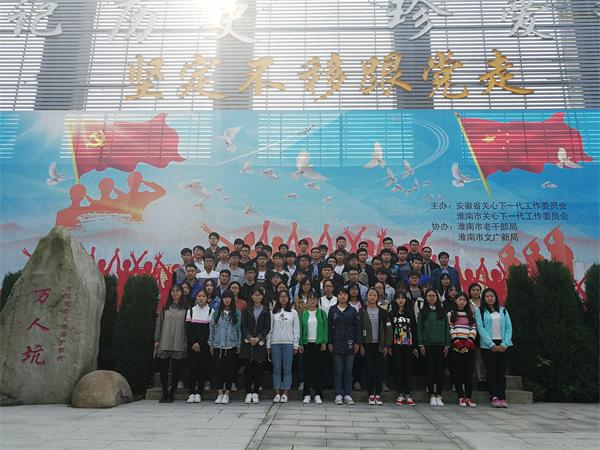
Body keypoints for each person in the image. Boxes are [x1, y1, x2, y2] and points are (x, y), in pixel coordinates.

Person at [475, 288, 513, 408]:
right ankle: (494, 396)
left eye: (492, 296)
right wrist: (491, 344)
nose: (490, 298)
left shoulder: (503, 310)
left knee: (501, 372)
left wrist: (505, 344)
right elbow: (480, 328)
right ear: (484, 298)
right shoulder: (480, 311)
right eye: (487, 296)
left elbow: (509, 327)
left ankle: (502, 396)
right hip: (488, 346)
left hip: (502, 344)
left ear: (495, 297)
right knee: (491, 371)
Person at [154, 285, 188, 403]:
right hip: (165, 340)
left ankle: (172, 393)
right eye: (173, 291)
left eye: (177, 291)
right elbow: (159, 324)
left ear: (181, 293)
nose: (175, 293)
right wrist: (157, 340)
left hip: (179, 341)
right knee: (163, 369)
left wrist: (186, 341)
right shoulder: (165, 308)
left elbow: (187, 327)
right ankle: (164, 393)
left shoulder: (186, 309)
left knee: (176, 369)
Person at [328, 288, 361, 405]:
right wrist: (330, 342)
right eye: (340, 294)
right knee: (338, 370)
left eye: (344, 294)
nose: (342, 296)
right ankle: (338, 394)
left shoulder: (352, 310)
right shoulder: (332, 310)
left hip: (350, 343)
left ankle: (348, 394)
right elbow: (329, 327)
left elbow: (357, 327)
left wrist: (357, 342)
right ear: (337, 296)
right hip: (336, 343)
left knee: (348, 370)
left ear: (348, 297)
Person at [417, 288, 450, 407]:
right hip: (427, 345)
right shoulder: (423, 312)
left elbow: (447, 328)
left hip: (441, 345)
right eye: (429, 296)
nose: (431, 298)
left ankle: (439, 395)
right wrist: (421, 344)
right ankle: (431, 394)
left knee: (440, 371)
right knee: (429, 370)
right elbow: (419, 328)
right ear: (425, 298)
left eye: (434, 296)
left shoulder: (442, 311)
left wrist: (447, 343)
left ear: (437, 298)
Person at [359, 288, 392, 405]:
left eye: (374, 295)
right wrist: (360, 344)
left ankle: (378, 393)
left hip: (380, 346)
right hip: (367, 345)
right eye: (370, 295)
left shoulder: (383, 312)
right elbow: (358, 329)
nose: (372, 297)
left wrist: (387, 345)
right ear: (366, 297)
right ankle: (370, 394)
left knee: (379, 369)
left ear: (378, 297)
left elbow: (388, 329)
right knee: (369, 370)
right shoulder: (362, 312)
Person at [208, 290, 241, 405]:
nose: (227, 299)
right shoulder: (216, 313)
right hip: (218, 345)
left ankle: (227, 393)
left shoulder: (237, 313)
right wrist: (211, 343)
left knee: (229, 370)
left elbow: (239, 329)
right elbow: (212, 328)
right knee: (219, 370)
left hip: (231, 345)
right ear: (222, 299)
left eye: (229, 297)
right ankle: (219, 393)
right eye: (225, 297)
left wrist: (239, 344)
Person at [267, 290, 300, 403]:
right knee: (276, 368)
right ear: (278, 298)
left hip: (288, 343)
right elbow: (270, 329)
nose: (283, 298)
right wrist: (268, 344)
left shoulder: (293, 312)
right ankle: (277, 392)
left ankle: (285, 392)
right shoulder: (273, 312)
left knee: (287, 369)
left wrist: (296, 344)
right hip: (275, 343)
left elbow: (296, 329)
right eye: (281, 296)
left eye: (285, 296)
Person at [240, 287, 271, 404]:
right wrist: (249, 337)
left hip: (259, 343)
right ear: (252, 296)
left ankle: (256, 392)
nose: (257, 297)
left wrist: (258, 338)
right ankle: (248, 392)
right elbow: (243, 326)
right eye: (255, 295)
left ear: (262, 296)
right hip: (247, 343)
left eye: (259, 295)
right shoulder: (246, 309)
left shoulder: (266, 310)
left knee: (258, 370)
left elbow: (267, 327)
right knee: (247, 369)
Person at [447, 292, 478, 407]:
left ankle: (469, 397)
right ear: (455, 300)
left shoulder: (471, 314)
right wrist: (458, 343)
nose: (462, 302)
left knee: (468, 373)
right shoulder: (451, 314)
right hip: (456, 346)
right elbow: (451, 328)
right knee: (458, 372)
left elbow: (474, 329)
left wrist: (469, 342)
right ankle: (461, 397)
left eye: (464, 300)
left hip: (469, 346)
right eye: (460, 299)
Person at [299, 291, 328, 404]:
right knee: (307, 370)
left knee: (318, 370)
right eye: (310, 299)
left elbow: (325, 328)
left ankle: (318, 394)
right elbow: (301, 329)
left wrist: (324, 342)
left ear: (317, 301)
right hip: (307, 344)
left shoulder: (322, 313)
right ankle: (306, 394)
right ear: (307, 301)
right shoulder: (304, 313)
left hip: (318, 345)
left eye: (314, 299)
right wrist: (301, 343)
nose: (312, 301)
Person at [389, 291, 418, 406]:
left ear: (406, 300)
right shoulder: (392, 314)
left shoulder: (410, 313)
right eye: (398, 298)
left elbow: (414, 330)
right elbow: (389, 331)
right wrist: (389, 346)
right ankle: (400, 394)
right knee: (398, 369)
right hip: (396, 346)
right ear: (395, 300)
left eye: (403, 298)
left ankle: (408, 394)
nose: (401, 300)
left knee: (408, 370)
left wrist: (415, 346)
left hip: (408, 346)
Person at [185, 289, 212, 403]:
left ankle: (199, 392)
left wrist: (200, 343)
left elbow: (208, 330)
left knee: (202, 368)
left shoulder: (211, 311)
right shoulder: (190, 311)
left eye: (203, 296)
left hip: (204, 346)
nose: (201, 298)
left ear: (207, 298)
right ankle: (191, 392)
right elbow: (188, 329)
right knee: (192, 369)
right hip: (192, 345)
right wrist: (194, 343)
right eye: (199, 296)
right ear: (196, 298)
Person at [468, 283, 486, 390]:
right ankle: (479, 379)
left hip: (485, 332)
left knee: (484, 357)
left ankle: (485, 379)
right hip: (472, 332)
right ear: (470, 292)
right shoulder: (467, 303)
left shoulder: (484, 302)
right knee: (477, 358)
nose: (475, 292)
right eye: (473, 290)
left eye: (477, 290)